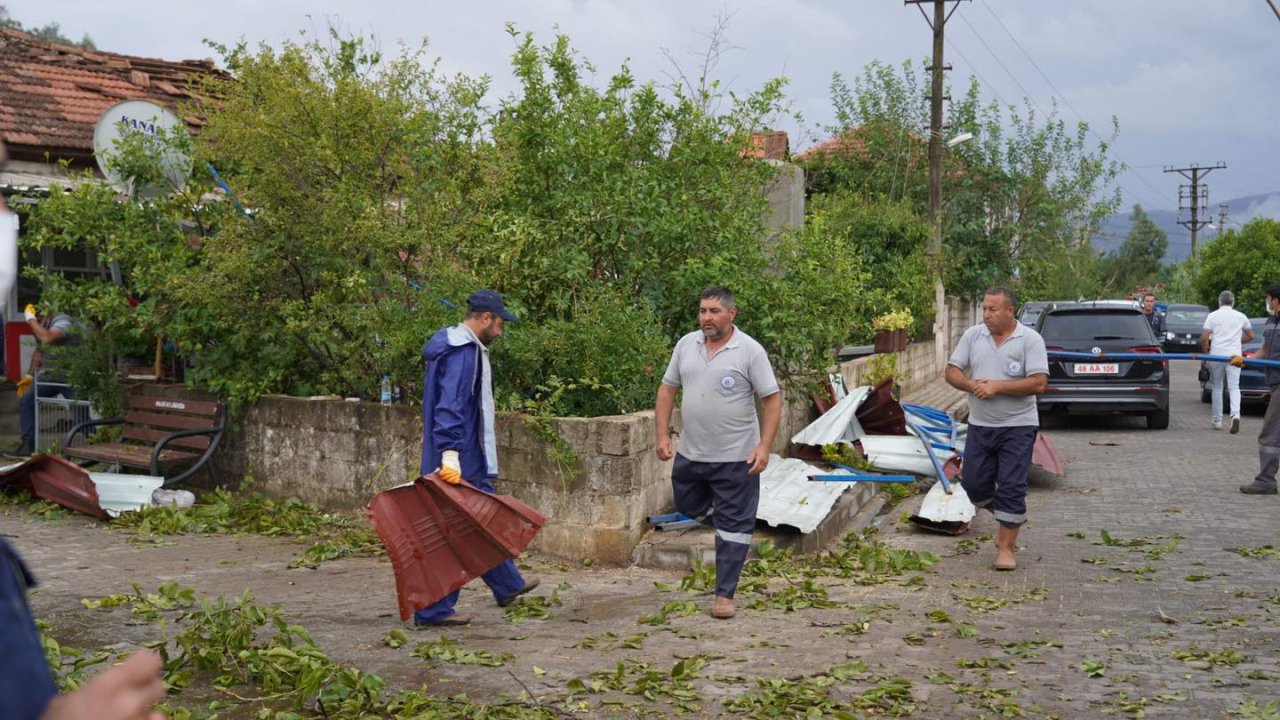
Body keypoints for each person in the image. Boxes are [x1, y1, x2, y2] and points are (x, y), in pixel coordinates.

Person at [2, 139, 167, 720]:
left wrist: (28, 325)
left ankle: (29, 446)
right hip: (45, 387)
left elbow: (48, 341)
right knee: (28, 416)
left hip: (65, 393)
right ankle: (27, 447)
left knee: (39, 420)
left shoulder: (64, 317)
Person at [412, 289, 540, 626]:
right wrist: (451, 454)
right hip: (459, 458)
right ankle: (432, 609)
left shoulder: (456, 345)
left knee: (479, 524)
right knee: (453, 532)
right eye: (499, 324)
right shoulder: (462, 353)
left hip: (466, 455)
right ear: (485, 318)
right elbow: (451, 406)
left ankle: (507, 584)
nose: (500, 331)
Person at [654, 286, 781, 619]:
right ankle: (729, 516)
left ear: (731, 314)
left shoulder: (749, 351)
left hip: (737, 457)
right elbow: (667, 390)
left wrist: (764, 446)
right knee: (685, 504)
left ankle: (725, 595)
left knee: (734, 529)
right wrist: (662, 434)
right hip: (693, 455)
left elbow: (772, 399)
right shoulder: (686, 344)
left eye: (714, 311)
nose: (706, 318)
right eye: (702, 311)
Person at [944, 286, 1049, 571]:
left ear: (1010, 311)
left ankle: (1006, 547)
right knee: (974, 484)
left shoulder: (1030, 340)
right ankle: (1007, 513)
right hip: (980, 425)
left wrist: (998, 387)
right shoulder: (973, 336)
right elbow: (951, 371)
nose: (986, 315)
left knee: (1013, 485)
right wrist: (972, 385)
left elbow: (1039, 383)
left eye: (992, 309)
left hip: (1019, 426)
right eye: (985, 309)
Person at [11, 306, 79, 457]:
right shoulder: (44, 323)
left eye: (39, 317)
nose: (38, 321)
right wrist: (29, 377)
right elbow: (39, 351)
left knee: (80, 411)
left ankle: (94, 445)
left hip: (71, 376)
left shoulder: (63, 320)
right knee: (26, 400)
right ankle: (28, 444)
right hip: (49, 375)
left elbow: (47, 338)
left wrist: (30, 320)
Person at [1243, 283, 1280, 495]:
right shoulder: (1270, 323)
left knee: (1270, 435)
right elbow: (1263, 352)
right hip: (1274, 383)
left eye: (1269, 299)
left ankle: (1266, 480)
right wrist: (1243, 359)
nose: (1267, 303)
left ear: (1276, 301)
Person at [1201, 290, 1254, 434]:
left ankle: (1217, 420)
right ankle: (1235, 415)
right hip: (1235, 356)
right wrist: (1238, 341)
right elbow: (1251, 335)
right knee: (1234, 386)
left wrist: (1205, 353)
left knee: (1217, 386)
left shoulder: (1212, 316)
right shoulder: (1241, 316)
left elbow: (1205, 337)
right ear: (1233, 302)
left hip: (1216, 354)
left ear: (1219, 302)